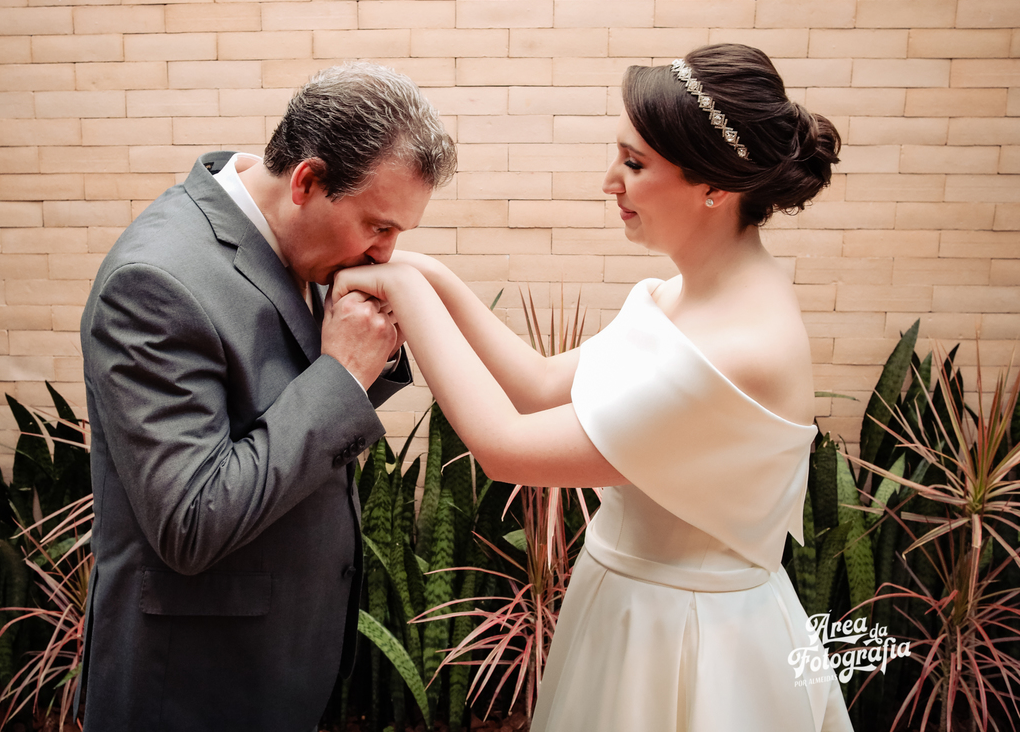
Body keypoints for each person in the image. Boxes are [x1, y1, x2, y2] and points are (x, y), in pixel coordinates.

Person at [331, 44, 855, 731]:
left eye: (635, 164)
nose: (611, 180)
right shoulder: (688, 294)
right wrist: (425, 271)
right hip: (626, 605)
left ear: (715, 186)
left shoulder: (740, 350)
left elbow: (507, 448)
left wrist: (401, 287)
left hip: (684, 641)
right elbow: (542, 384)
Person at [77, 62, 456, 732]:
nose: (386, 252)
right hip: (193, 689)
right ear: (307, 180)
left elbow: (284, 388)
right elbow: (190, 521)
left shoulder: (298, 236)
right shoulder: (156, 282)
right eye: (379, 226)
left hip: (279, 666)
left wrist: (364, 358)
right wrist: (343, 375)